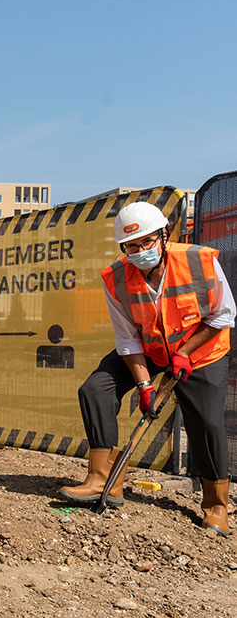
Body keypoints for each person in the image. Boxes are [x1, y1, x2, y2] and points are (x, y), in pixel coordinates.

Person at [60, 201, 233, 536]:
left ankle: (216, 506)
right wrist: (144, 386)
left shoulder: (199, 260)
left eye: (147, 242)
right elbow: (127, 340)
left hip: (203, 351)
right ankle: (104, 480)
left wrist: (185, 353)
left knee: (207, 423)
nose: (139, 252)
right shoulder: (116, 279)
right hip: (151, 350)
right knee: (95, 389)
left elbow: (224, 315)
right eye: (131, 246)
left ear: (164, 236)